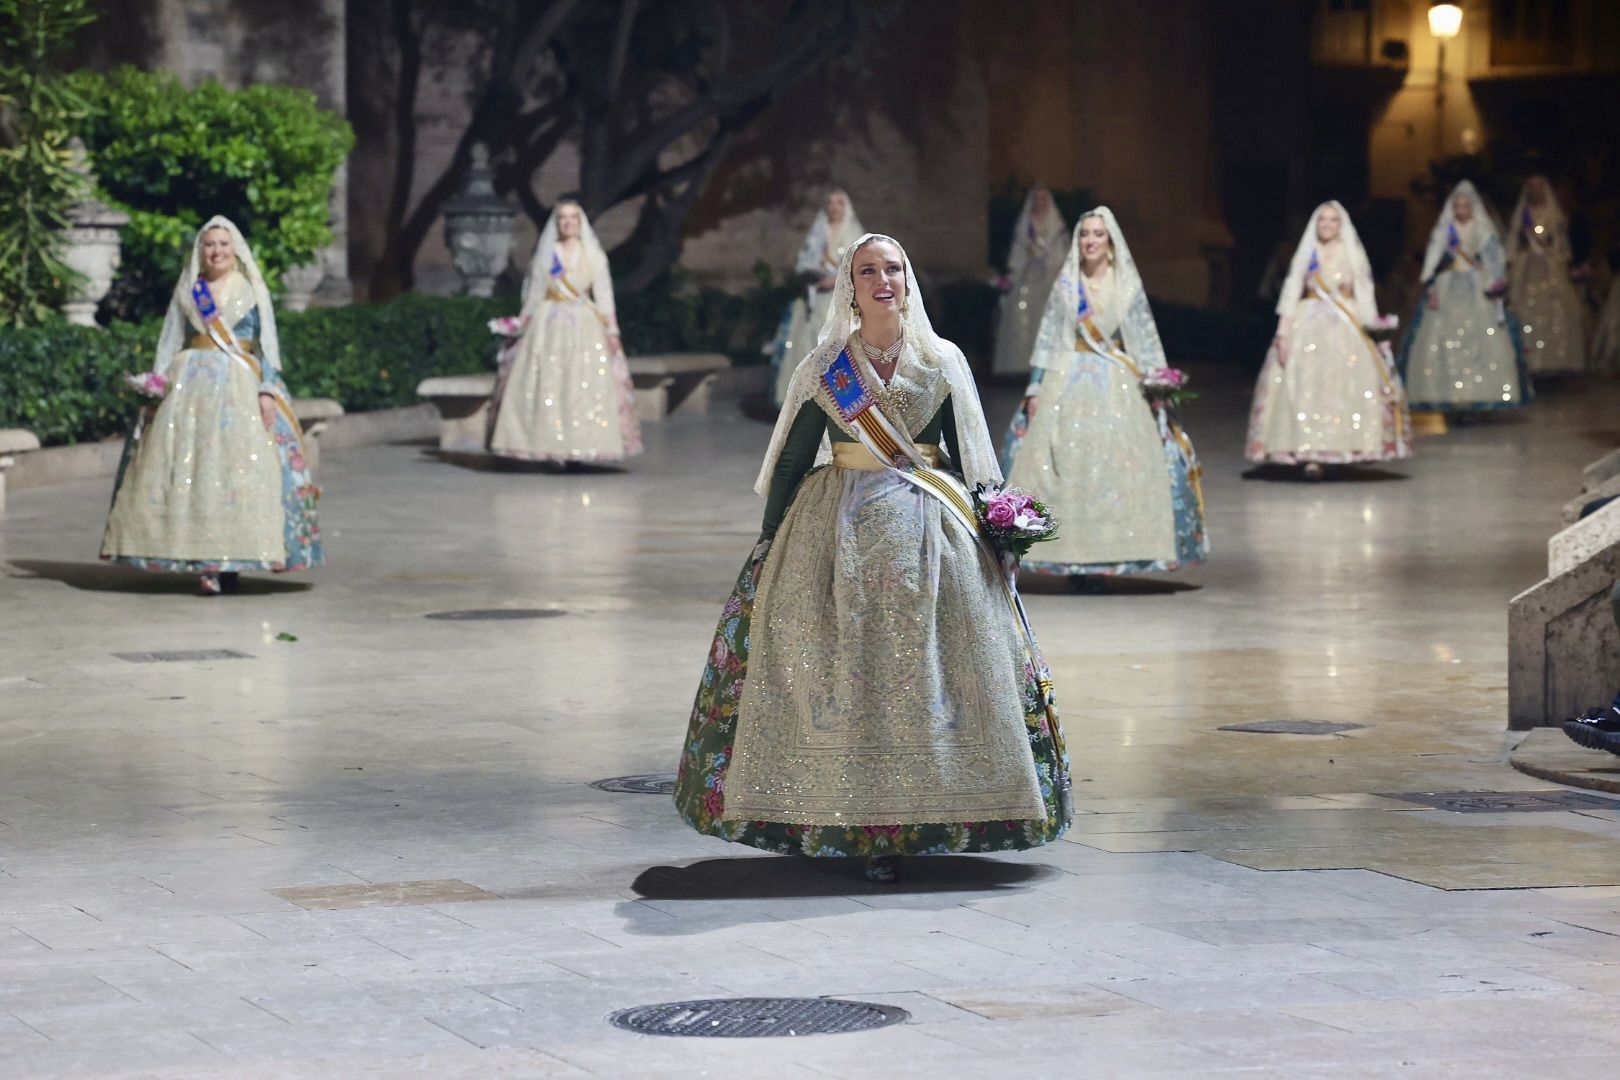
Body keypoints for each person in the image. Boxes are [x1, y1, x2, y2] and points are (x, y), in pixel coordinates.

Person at [674, 233, 1073, 884]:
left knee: (935, 673)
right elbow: (793, 461)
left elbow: (970, 454)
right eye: (868, 271)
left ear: (907, 282)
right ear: (850, 288)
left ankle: (939, 812)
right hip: (837, 532)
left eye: (892, 268)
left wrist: (999, 532)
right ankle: (848, 818)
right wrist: (769, 540)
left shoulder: (942, 362)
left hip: (933, 534)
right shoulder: (826, 366)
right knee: (842, 670)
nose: (882, 279)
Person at [101, 216, 320, 595]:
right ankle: (201, 561)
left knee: (239, 473)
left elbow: (265, 345)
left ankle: (230, 560)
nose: (216, 251)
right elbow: (171, 340)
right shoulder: (191, 291)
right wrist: (156, 388)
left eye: (223, 244)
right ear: (200, 250)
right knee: (192, 474)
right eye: (209, 244)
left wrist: (267, 390)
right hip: (189, 391)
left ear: (234, 249)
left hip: (239, 387)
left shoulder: (249, 290)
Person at [1001, 208, 1207, 579]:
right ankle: (1069, 555)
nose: (1090, 241)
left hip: (1116, 383)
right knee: (1059, 462)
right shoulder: (1067, 286)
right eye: (1084, 235)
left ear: (1110, 243)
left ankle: (1109, 558)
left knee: (1119, 464)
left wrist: (1158, 384)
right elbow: (1049, 338)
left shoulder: (1125, 285)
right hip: (1067, 377)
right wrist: (1035, 387)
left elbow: (1143, 338)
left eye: (1098, 234)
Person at [1246, 201, 1411, 475]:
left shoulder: (1352, 253)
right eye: (1323, 219)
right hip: (1308, 324)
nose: (1327, 224)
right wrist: (1283, 333)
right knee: (1305, 388)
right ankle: (1310, 453)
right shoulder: (1306, 252)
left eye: (1333, 220)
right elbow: (1291, 290)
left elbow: (1364, 292)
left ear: (1341, 224)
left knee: (1344, 387)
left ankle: (1346, 448)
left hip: (1347, 326)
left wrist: (1376, 332)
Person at [488, 200, 641, 464]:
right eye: (562, 218)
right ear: (556, 222)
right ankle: (550, 447)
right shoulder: (546, 255)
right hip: (547, 325)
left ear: (580, 223)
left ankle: (582, 447)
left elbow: (604, 295)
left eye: (573, 218)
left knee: (581, 384)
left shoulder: (593, 255)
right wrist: (520, 324)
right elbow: (535, 294)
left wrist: (612, 332)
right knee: (547, 383)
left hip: (584, 325)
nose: (567, 222)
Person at [1399, 180, 1528, 413]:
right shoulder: (1445, 229)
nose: (1461, 211)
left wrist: (1496, 280)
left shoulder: (1482, 228)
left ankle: (1481, 391)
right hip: (1448, 283)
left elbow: (1493, 256)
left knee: (1482, 335)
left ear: (1472, 207)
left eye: (1465, 206)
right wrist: (1429, 279)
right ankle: (1447, 392)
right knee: (1443, 336)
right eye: (1457, 206)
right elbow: (1434, 254)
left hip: (1476, 285)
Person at [767, 189, 864, 408]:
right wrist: (812, 276)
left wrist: (836, 280)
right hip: (814, 297)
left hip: (838, 299)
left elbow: (860, 267)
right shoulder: (818, 230)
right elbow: (805, 262)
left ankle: (844, 401)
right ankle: (807, 400)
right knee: (807, 345)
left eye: (839, 202)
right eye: (830, 202)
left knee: (838, 347)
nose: (834, 207)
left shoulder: (854, 232)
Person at [1507, 175, 1587, 378]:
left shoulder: (1553, 214)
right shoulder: (1523, 213)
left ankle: (1555, 360)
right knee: (1525, 308)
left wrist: (1553, 252)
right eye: (1532, 187)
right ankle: (1529, 360)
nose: (1536, 191)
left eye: (1539, 187)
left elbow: (1559, 241)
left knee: (1558, 308)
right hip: (1528, 265)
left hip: (1548, 263)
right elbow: (1514, 241)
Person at [991, 185, 1068, 377]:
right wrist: (1015, 271)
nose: (1040, 202)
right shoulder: (1026, 222)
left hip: (1049, 276)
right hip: (1027, 275)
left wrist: (1048, 261)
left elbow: (1061, 252)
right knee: (1021, 313)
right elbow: (1018, 249)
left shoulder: (1056, 224)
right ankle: (1020, 365)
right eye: (1037, 198)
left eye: (1044, 198)